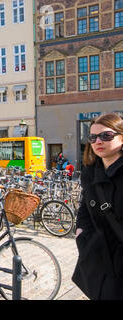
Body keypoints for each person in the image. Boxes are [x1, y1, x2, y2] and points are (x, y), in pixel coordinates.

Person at [72, 112, 123, 300]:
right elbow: (84, 208)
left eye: (106, 135)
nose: (98, 141)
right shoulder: (90, 173)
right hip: (99, 255)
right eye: (92, 137)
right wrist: (81, 235)